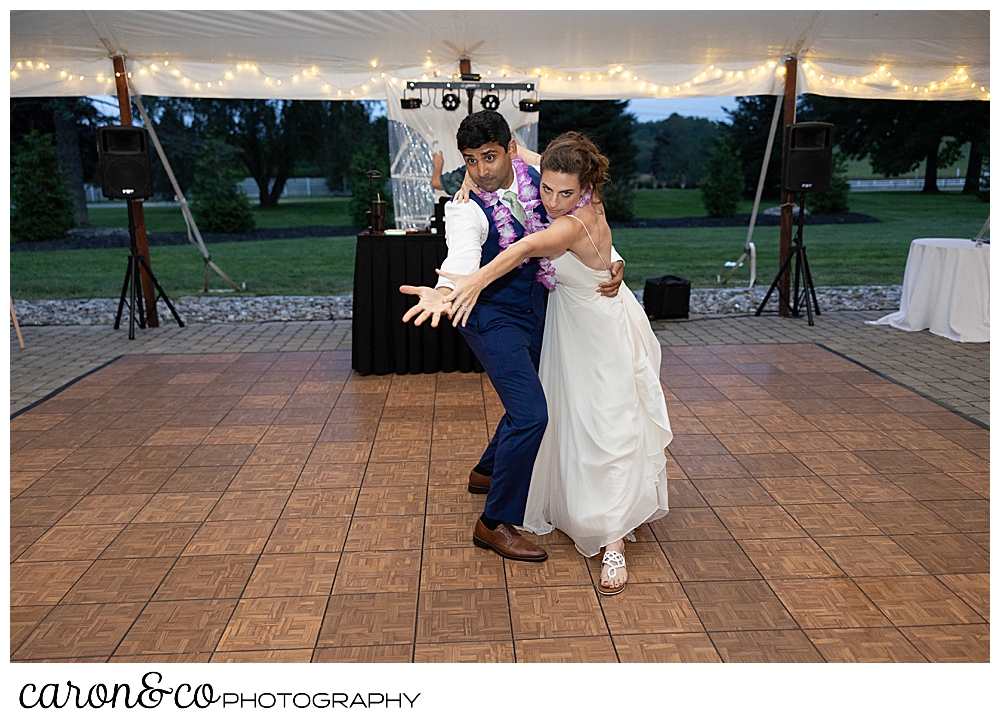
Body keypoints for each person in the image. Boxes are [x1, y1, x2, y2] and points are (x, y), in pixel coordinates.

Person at [438, 132, 673, 595]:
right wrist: (468, 173)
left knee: (608, 425)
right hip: (574, 323)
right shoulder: (566, 185)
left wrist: (466, 285)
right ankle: (496, 473)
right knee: (563, 417)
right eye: (546, 189)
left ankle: (613, 542)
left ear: (585, 188)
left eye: (566, 192)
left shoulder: (568, 222)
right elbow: (521, 157)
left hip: (598, 332)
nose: (553, 200)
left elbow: (522, 250)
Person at [400, 111, 624, 565]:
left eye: (489, 157)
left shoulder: (542, 178)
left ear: (509, 150)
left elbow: (584, 206)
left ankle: (486, 470)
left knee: (532, 399)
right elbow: (461, 253)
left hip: (537, 309)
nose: (481, 171)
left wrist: (611, 260)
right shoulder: (464, 208)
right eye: (470, 161)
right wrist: (445, 290)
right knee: (533, 415)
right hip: (487, 317)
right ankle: (493, 522)